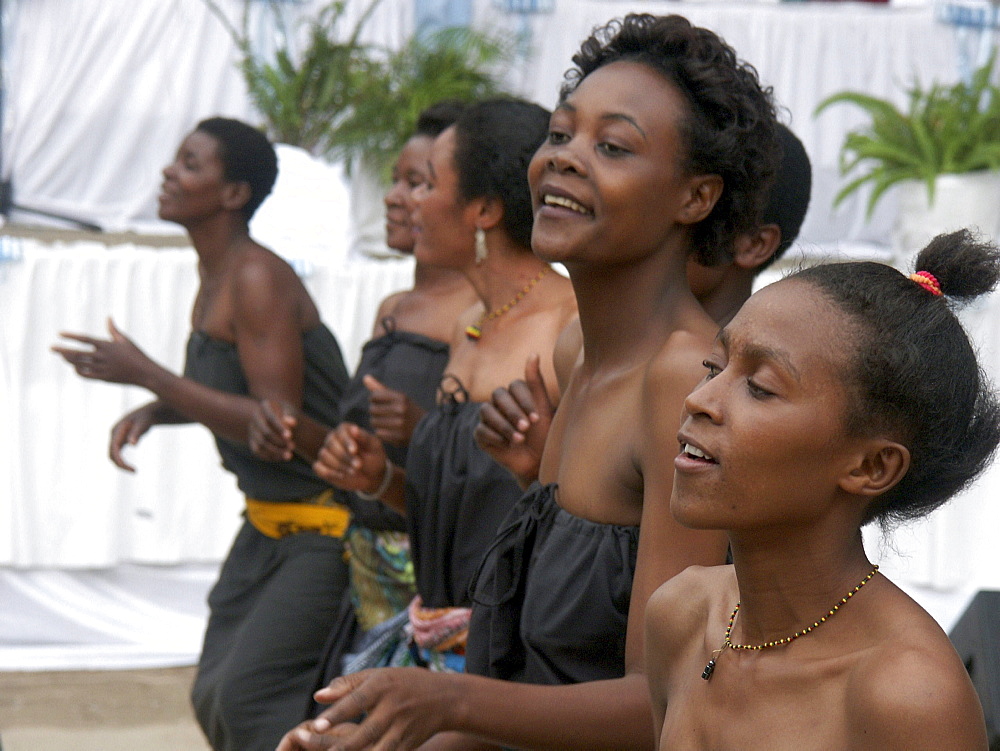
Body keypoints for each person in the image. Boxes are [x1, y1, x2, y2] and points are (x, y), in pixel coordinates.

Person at [280, 14, 779, 750]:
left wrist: (448, 701)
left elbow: (660, 702)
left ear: (696, 197)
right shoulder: (577, 351)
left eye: (612, 146)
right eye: (560, 134)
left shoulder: (681, 380)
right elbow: (555, 658)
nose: (565, 159)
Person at [51, 117, 351, 751]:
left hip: (323, 529)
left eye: (190, 163)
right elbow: (243, 396)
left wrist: (148, 374)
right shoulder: (218, 274)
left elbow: (279, 422)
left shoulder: (255, 276)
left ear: (234, 193)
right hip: (268, 523)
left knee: (248, 700)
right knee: (212, 693)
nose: (168, 172)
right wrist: (159, 410)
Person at [647, 229, 998, 749]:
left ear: (872, 467)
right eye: (713, 367)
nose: (701, 399)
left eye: (761, 388)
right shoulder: (681, 615)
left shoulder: (909, 696)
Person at [304, 97, 577, 676]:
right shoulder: (468, 326)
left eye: (427, 185)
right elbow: (458, 510)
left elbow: (581, 518)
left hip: (513, 655)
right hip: (436, 641)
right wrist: (379, 478)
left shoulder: (566, 326)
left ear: (482, 210)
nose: (410, 203)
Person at [249, 100, 478, 708]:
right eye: (399, 181)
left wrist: (423, 427)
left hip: (423, 568)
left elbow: (499, 460)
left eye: (421, 183)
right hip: (364, 556)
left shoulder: (480, 319)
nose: (399, 198)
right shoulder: (394, 307)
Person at [476, 122, 812, 487]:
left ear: (751, 244)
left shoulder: (702, 387)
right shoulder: (586, 350)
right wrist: (538, 473)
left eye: (699, 211)